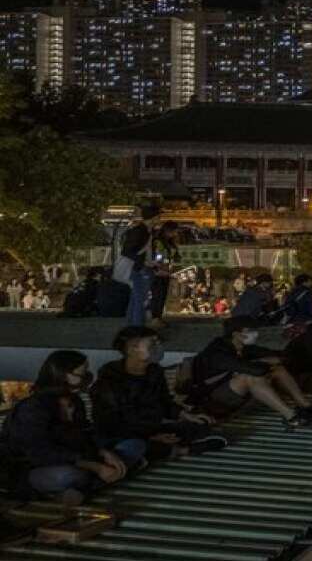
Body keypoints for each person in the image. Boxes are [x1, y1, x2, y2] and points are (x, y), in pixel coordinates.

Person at [0, 350, 146, 505]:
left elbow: (84, 435)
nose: (86, 379)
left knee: (134, 445)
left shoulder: (75, 401)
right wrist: (95, 466)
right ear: (60, 375)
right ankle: (97, 482)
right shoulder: (33, 408)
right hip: (35, 467)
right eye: (80, 375)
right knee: (69, 475)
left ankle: (82, 489)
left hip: (78, 458)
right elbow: (39, 453)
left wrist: (104, 453)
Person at [90, 326, 228, 462]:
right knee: (134, 446)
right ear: (133, 349)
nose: (158, 347)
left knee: (204, 427)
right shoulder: (111, 378)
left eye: (158, 342)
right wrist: (150, 437)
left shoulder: (155, 371)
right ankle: (179, 450)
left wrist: (186, 415)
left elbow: (164, 401)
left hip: (151, 427)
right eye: (152, 344)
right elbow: (110, 421)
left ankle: (168, 448)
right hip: (123, 432)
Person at [184, 316, 312, 429]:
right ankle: (291, 416)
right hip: (210, 398)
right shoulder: (217, 353)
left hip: (230, 389)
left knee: (278, 369)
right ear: (236, 334)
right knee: (250, 377)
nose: (255, 334)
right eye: (250, 331)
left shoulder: (243, 347)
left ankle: (305, 405)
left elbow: (280, 356)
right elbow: (256, 370)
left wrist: (277, 358)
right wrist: (266, 361)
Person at [119, 204, 161, 326]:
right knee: (140, 299)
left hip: (139, 267)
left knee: (136, 298)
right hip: (137, 268)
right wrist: (143, 258)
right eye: (158, 217)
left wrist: (150, 262)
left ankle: (131, 326)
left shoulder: (147, 231)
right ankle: (137, 328)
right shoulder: (140, 231)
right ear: (153, 217)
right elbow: (127, 252)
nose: (159, 220)